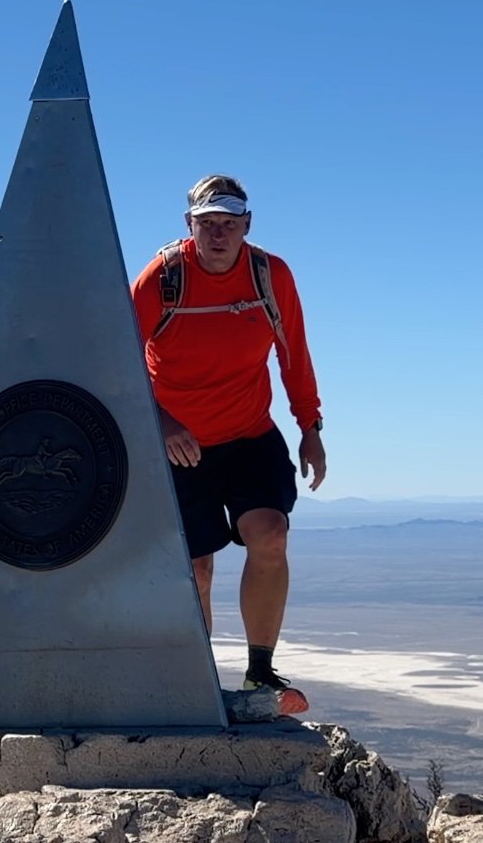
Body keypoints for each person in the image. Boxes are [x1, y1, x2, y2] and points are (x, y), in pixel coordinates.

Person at [129, 174, 326, 712]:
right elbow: (115, 358)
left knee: (271, 533)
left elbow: (295, 354)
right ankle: (193, 680)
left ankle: (261, 674)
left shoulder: (270, 275)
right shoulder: (163, 279)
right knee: (195, 566)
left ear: (247, 225)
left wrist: (309, 428)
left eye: (229, 224)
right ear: (189, 226)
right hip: (178, 443)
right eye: (207, 224)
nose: (218, 235)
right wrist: (161, 422)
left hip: (248, 434)